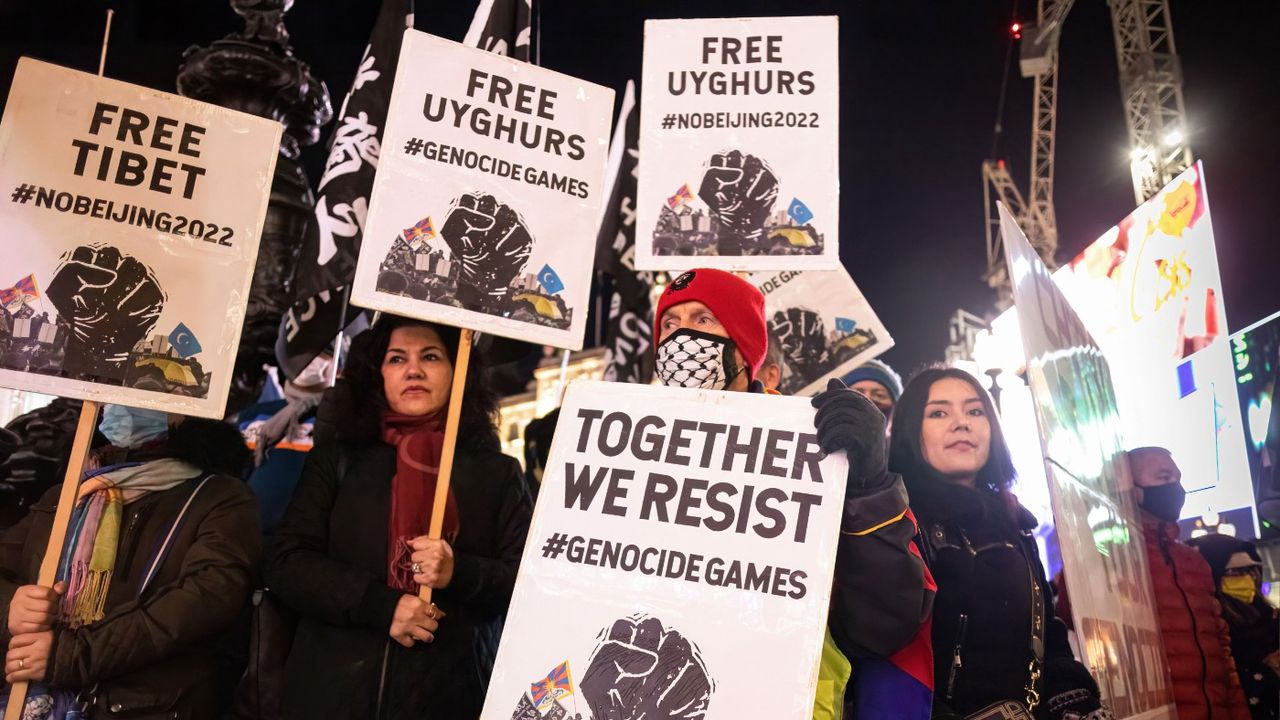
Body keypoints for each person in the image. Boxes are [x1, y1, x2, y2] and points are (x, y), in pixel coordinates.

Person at [652, 268, 935, 720]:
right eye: (670, 323)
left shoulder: (813, 450)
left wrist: (868, 485)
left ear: (744, 347)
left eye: (703, 320)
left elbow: (883, 625)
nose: (681, 335)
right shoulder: (640, 450)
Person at [265, 316, 532, 719]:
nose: (414, 370)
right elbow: (287, 564)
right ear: (378, 375)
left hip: (450, 698)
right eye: (396, 358)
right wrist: (379, 605)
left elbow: (528, 588)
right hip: (332, 695)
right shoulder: (338, 461)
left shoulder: (498, 473)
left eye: (431, 356)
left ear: (458, 371)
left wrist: (459, 572)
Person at [0, 405, 259, 718]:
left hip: (148, 706)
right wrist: (11, 607)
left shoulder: (219, 497)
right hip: (38, 701)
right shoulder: (67, 492)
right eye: (114, 399)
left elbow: (208, 597)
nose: (124, 408)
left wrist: (72, 656)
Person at [889, 366, 1109, 719]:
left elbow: (1046, 635)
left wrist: (1069, 692)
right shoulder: (894, 520)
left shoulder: (1016, 524)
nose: (962, 423)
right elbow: (883, 646)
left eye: (975, 411)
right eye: (939, 412)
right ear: (910, 431)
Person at [1126, 447, 1250, 720]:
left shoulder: (1193, 562)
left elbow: (1222, 653)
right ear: (1131, 489)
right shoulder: (1116, 559)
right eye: (1163, 477)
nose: (1176, 488)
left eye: (1177, 479)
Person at [1189, 534, 1279, 719]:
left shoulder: (1270, 616)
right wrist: (1267, 673)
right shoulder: (1208, 626)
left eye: (1249, 570)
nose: (1245, 577)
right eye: (1234, 572)